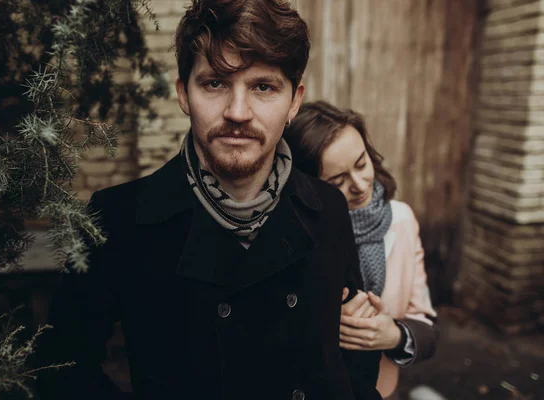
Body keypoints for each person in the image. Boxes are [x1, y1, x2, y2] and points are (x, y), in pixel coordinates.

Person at [36, 2, 382, 399]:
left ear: (294, 102)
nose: (238, 112)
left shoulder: (328, 207)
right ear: (184, 93)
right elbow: (61, 368)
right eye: (215, 83)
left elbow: (353, 348)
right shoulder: (119, 218)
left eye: (263, 87)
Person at [285, 101, 439, 400]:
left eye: (361, 164)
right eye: (337, 181)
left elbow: (427, 327)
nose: (359, 185)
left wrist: (392, 335)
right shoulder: (290, 237)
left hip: (381, 389)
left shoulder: (402, 220)